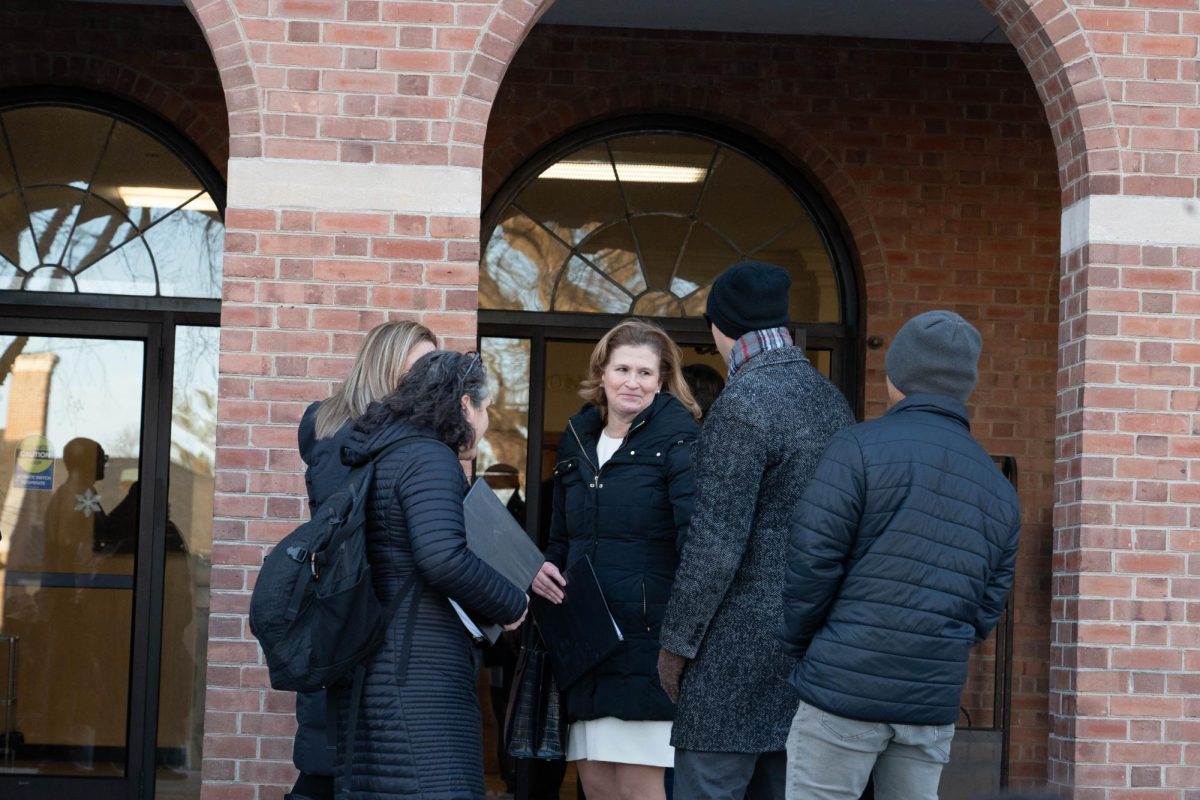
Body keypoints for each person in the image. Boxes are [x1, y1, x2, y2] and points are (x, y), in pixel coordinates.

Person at [780, 310, 1021, 800]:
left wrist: (802, 643)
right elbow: (988, 605)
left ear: (895, 375)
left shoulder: (858, 448)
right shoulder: (997, 486)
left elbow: (812, 559)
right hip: (930, 693)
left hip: (845, 679)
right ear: (964, 386)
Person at [656, 261, 855, 800]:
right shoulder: (830, 401)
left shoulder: (741, 404)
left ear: (721, 327)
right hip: (810, 644)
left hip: (731, 654)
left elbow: (716, 546)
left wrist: (676, 645)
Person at [336, 349, 529, 799]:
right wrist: (512, 605)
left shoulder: (387, 451)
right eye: (484, 410)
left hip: (386, 663)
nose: (484, 424)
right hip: (418, 671)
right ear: (465, 405)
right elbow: (442, 557)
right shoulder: (430, 459)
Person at [531, 319, 701, 800]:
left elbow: (697, 545)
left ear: (662, 380)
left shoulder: (679, 439)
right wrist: (544, 568)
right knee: (597, 782)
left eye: (646, 373)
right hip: (587, 639)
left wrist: (685, 638)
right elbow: (562, 536)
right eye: (623, 368)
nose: (633, 381)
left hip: (647, 640)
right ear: (601, 374)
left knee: (638, 787)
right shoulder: (578, 438)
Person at [288, 320, 436, 800]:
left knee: (337, 762)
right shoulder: (352, 435)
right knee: (337, 765)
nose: (426, 380)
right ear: (385, 365)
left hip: (346, 616)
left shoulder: (342, 426)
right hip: (355, 613)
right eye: (418, 367)